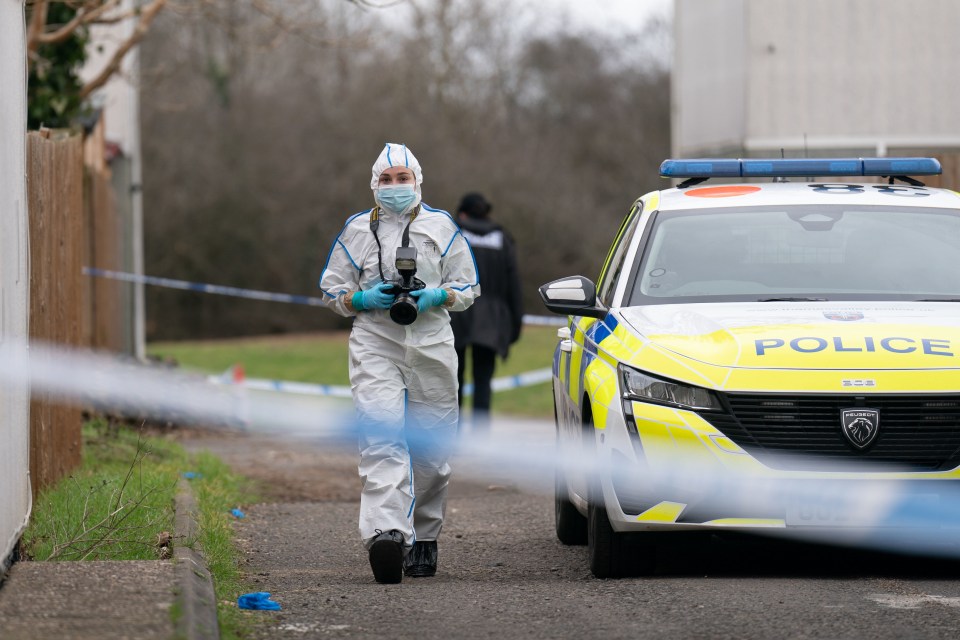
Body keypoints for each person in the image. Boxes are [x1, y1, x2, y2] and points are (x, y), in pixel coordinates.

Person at [318, 143, 479, 584]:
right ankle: (386, 534)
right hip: (376, 341)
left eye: (402, 178)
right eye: (385, 180)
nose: (394, 187)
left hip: (431, 342)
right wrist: (362, 299)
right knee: (381, 437)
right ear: (373, 184)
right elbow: (333, 290)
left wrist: (437, 295)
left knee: (432, 448)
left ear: (418, 181)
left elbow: (468, 285)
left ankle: (424, 537)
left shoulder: (441, 226)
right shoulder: (356, 230)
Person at [450, 192, 523, 432]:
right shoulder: (502, 238)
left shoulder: (454, 232)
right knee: (483, 378)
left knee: (453, 378)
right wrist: (515, 324)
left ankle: (453, 433)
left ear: (463, 213)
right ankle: (480, 437)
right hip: (492, 316)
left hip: (455, 312)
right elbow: (514, 285)